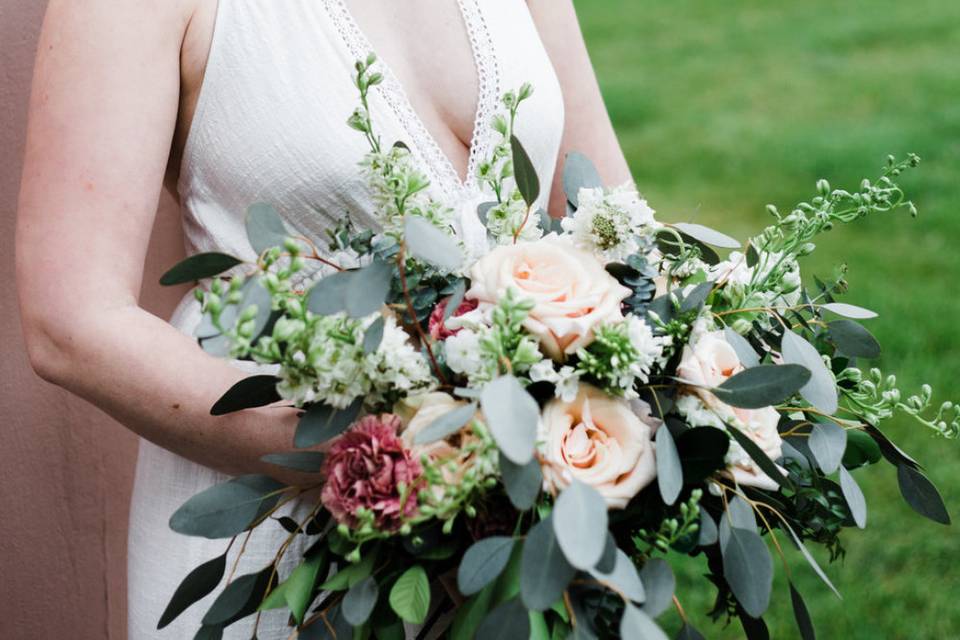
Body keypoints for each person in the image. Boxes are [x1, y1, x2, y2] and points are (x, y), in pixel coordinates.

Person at [16, 0, 632, 636]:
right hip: (275, 539)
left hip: (520, 528)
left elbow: (612, 226)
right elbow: (74, 323)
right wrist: (385, 461)